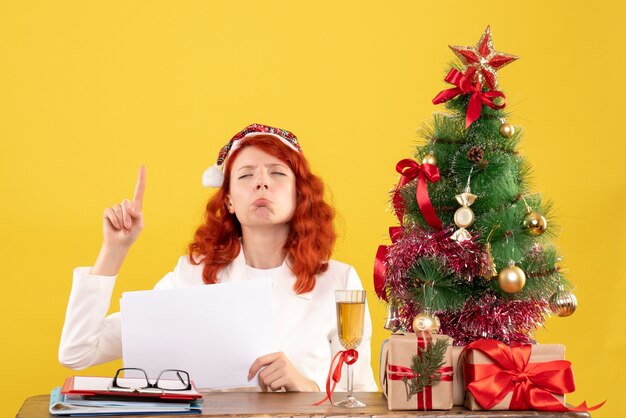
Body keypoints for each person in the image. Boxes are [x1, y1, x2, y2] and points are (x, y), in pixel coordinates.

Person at [58, 123, 378, 393]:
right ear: (228, 202)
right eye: (245, 175)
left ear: (300, 195)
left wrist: (305, 387)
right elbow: (79, 351)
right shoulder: (193, 277)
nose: (262, 182)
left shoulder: (339, 281)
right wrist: (114, 249)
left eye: (278, 172)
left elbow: (361, 397)